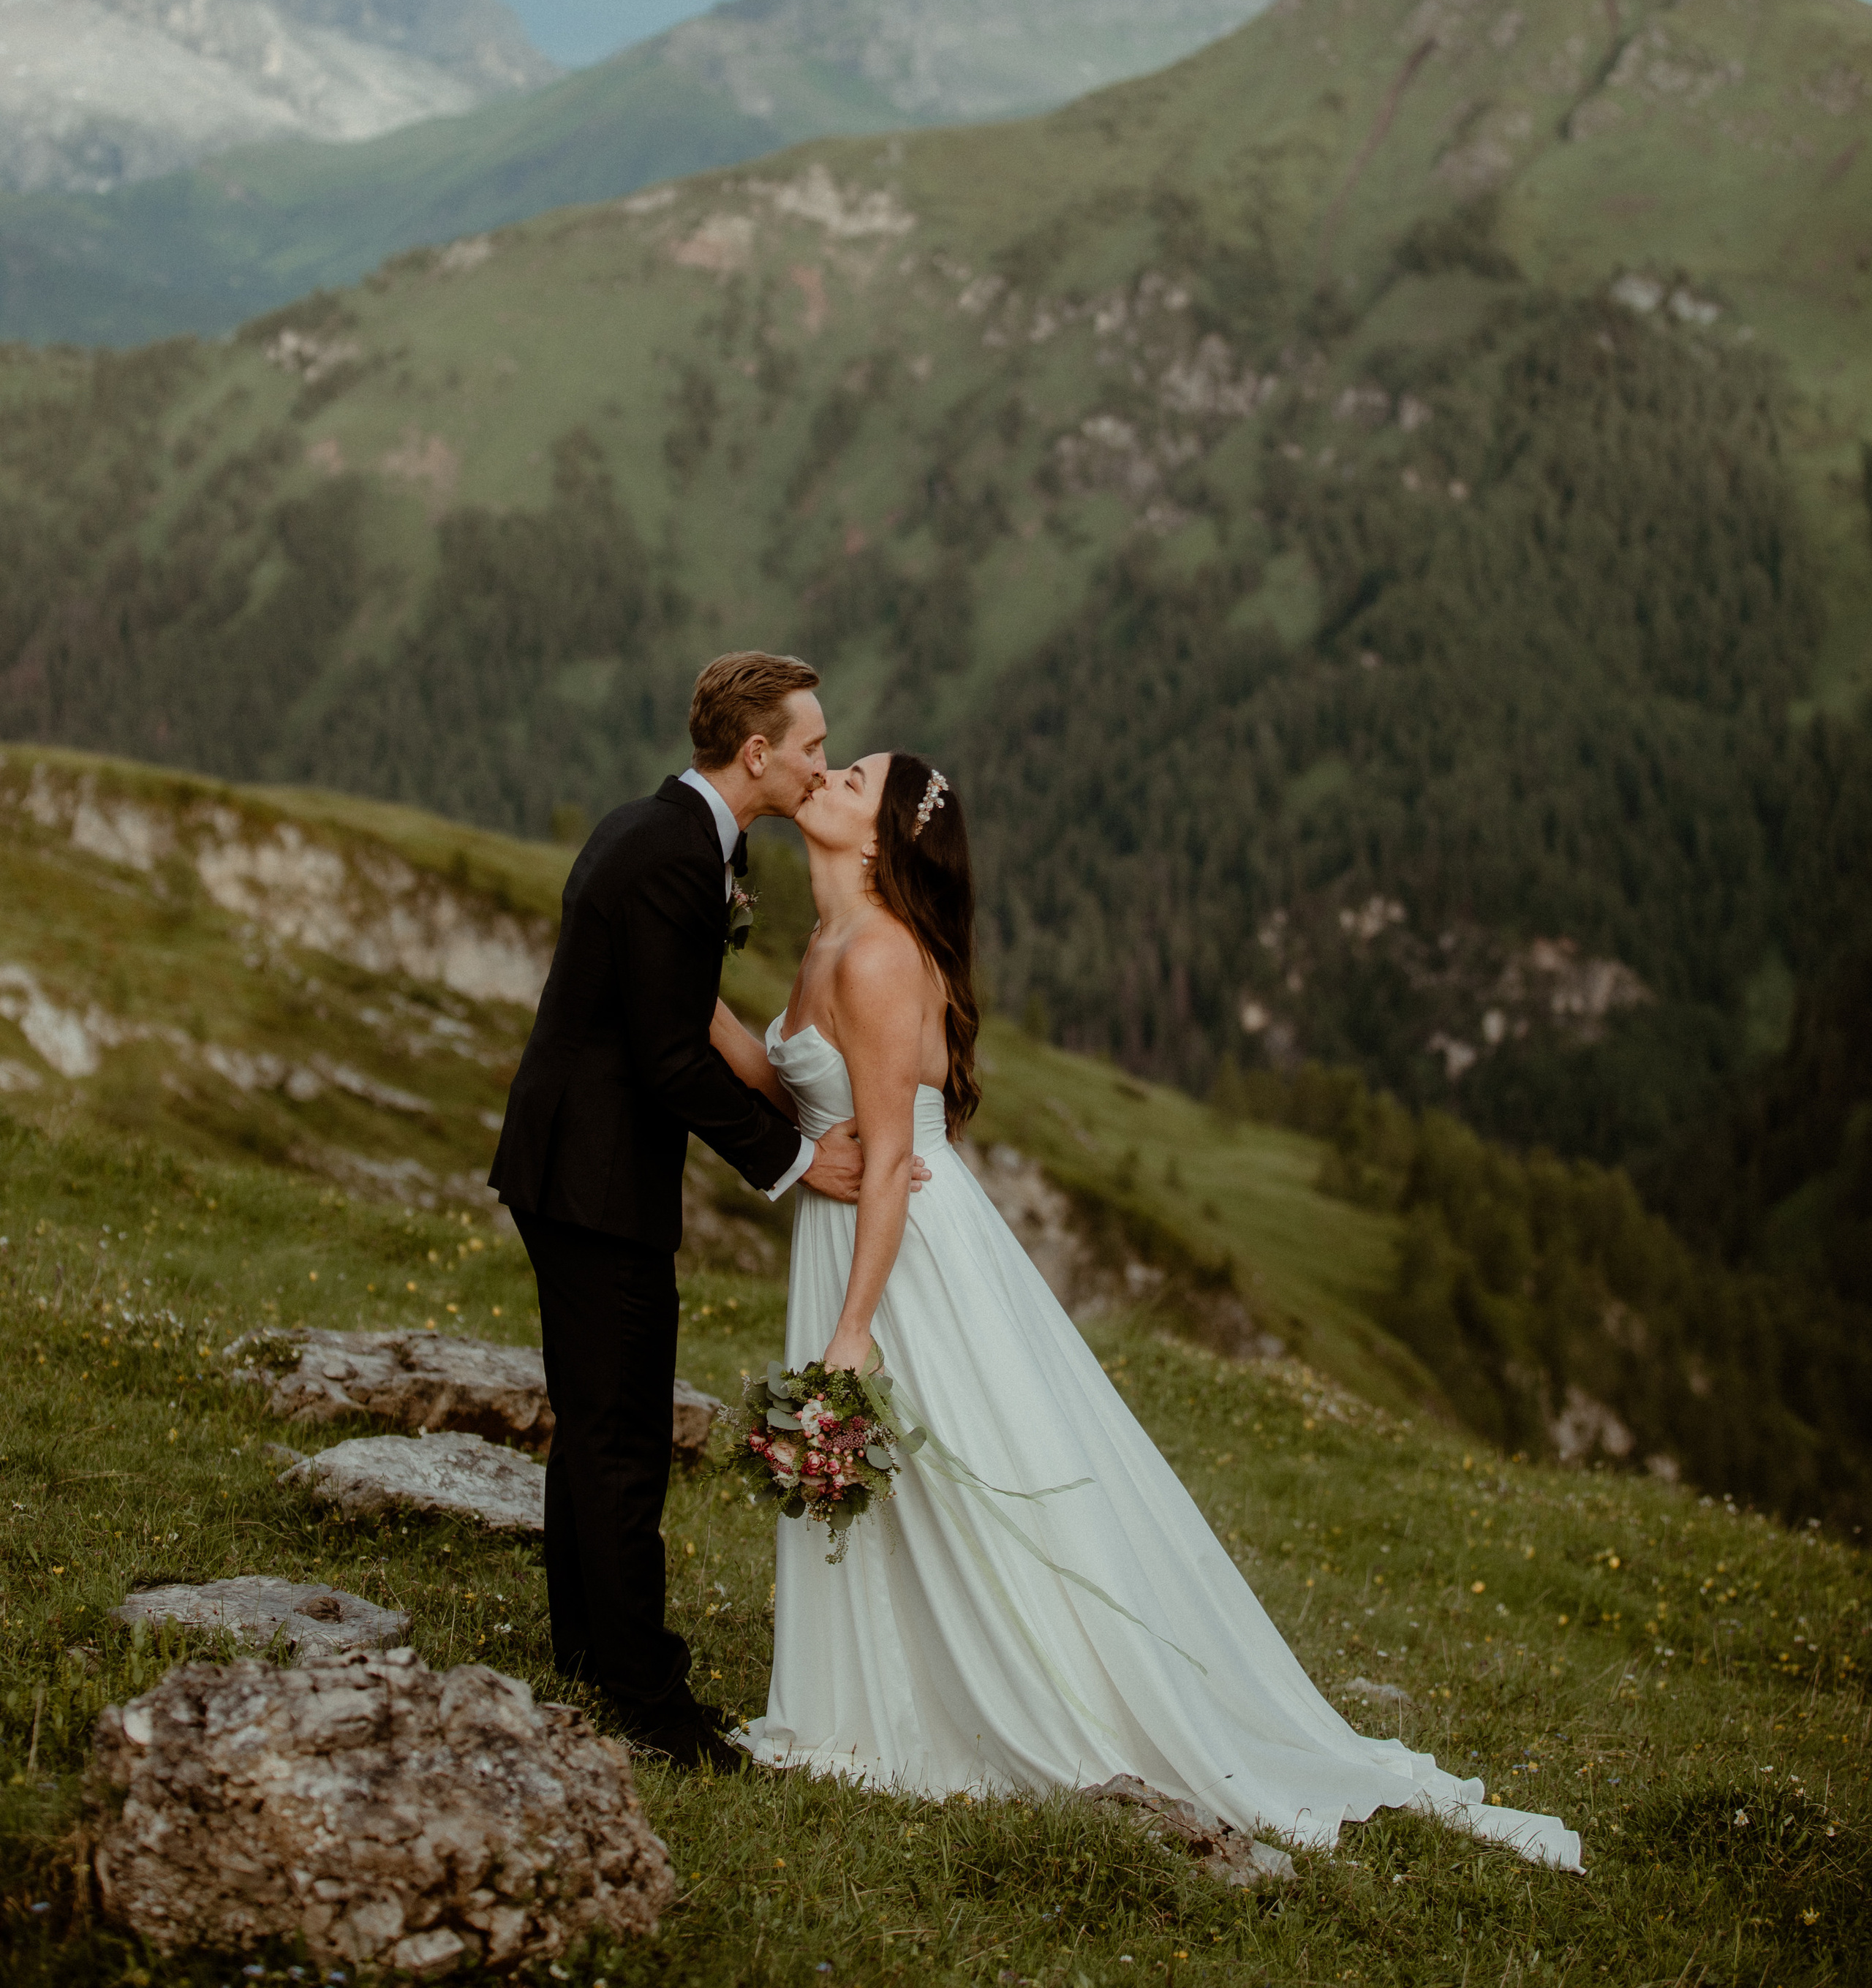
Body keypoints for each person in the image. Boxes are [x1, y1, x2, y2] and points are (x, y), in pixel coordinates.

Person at [709, 751, 1582, 1870]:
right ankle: (884, 1688)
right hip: (852, 1232)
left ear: (876, 840)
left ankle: (1033, 1697)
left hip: (903, 1252)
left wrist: (851, 1331)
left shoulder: (878, 955)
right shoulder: (829, 941)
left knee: (968, 1475)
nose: (826, 774)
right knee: (910, 1484)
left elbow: (886, 1164)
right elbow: (807, 1097)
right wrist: (706, 1012)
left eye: (854, 777)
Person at [488, 651, 929, 1772]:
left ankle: (592, 1659)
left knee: (595, 1426)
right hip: (595, 1181)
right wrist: (795, 1162)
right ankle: (650, 1705)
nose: (822, 764)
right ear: (757, 754)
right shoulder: (677, 857)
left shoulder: (653, 831)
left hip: (571, 1168)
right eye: (814, 748)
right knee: (625, 1435)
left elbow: (675, 1021)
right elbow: (669, 1059)